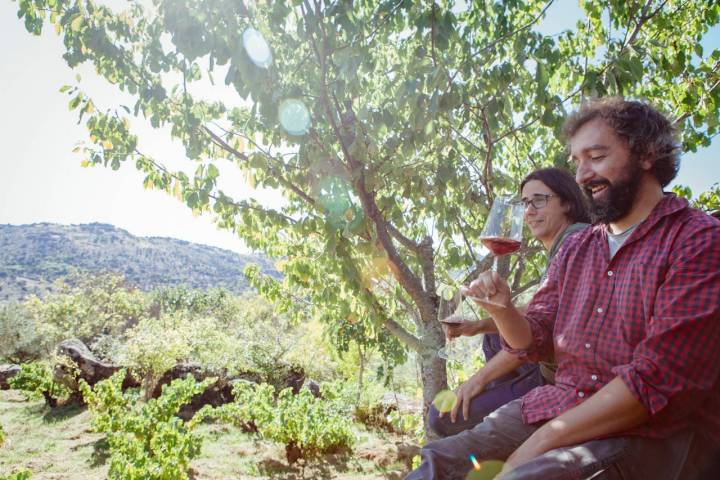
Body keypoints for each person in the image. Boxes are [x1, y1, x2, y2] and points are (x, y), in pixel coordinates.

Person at [406, 98, 720, 480]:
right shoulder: (578, 246)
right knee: (439, 459)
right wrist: (502, 310)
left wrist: (538, 444)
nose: (583, 173)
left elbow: (656, 382)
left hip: (647, 431)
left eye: (597, 156)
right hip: (557, 404)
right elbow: (534, 340)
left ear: (647, 154)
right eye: (576, 161)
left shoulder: (698, 239)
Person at [428, 167, 590, 437]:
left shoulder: (576, 243)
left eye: (539, 200)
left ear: (567, 202)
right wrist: (478, 325)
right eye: (525, 203)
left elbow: (538, 334)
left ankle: (507, 415)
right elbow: (542, 309)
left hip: (559, 376)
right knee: (492, 337)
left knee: (441, 417)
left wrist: (478, 379)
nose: (528, 211)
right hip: (547, 358)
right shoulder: (564, 244)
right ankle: (502, 402)